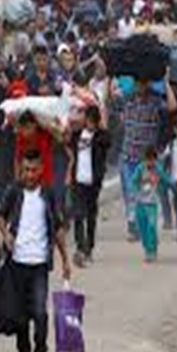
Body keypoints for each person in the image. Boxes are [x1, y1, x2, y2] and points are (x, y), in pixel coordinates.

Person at [0, 149, 71, 352]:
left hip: (39, 265)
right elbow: (0, 217)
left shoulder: (48, 194)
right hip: (17, 264)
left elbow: (57, 228)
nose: (29, 175)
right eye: (26, 170)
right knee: (20, 319)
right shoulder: (13, 192)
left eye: (33, 170)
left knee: (40, 314)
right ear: (21, 170)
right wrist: (5, 235)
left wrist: (65, 259)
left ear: (41, 170)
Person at [116, 76, 177, 242]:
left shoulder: (155, 102)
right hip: (128, 155)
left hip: (146, 160)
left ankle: (142, 223)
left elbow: (173, 106)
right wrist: (110, 78)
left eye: (143, 82)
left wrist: (165, 82)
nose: (140, 86)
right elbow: (109, 98)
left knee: (146, 193)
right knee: (130, 191)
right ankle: (133, 225)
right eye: (138, 82)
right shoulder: (128, 100)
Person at [70, 105, 110, 267]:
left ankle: (89, 247)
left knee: (91, 215)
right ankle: (80, 247)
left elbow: (108, 141)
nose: (90, 124)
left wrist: (103, 124)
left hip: (93, 182)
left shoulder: (101, 137)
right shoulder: (77, 135)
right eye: (88, 121)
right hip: (78, 180)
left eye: (93, 122)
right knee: (78, 214)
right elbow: (64, 138)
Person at [129, 147, 176, 263]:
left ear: (155, 160)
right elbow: (133, 182)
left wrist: (175, 187)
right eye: (148, 160)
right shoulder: (140, 169)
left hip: (152, 203)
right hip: (140, 203)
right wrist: (135, 193)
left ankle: (152, 250)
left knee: (151, 226)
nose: (150, 162)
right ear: (144, 159)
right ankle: (147, 248)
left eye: (152, 160)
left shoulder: (158, 169)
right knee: (143, 229)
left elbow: (166, 179)